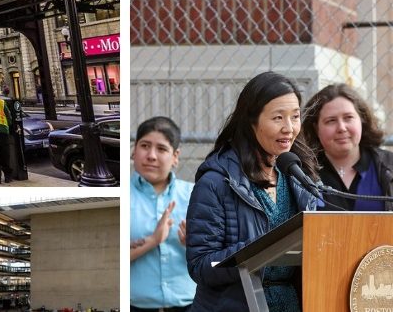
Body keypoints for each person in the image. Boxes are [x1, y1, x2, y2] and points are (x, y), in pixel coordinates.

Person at [186, 71, 319, 312]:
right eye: (278, 118)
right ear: (251, 121)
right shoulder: (216, 182)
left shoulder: (297, 175)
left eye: (295, 117)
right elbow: (201, 265)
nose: (289, 128)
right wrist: (258, 251)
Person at [130, 117, 195, 311]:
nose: (151, 155)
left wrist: (196, 246)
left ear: (175, 156)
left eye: (161, 149)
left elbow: (219, 258)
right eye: (144, 145)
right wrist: (153, 241)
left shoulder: (195, 195)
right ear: (134, 151)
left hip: (190, 305)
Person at [302, 84, 393, 211]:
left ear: (362, 119)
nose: (341, 128)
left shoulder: (389, 165)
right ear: (316, 128)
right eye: (331, 121)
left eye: (348, 118)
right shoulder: (303, 172)